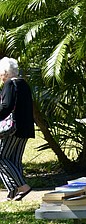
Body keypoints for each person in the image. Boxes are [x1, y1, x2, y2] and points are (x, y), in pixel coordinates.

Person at [0, 57, 35, 201]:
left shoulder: (9, 84)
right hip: (25, 127)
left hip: (12, 128)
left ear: (6, 72)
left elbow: (6, 106)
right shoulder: (24, 84)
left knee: (1, 157)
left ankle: (22, 187)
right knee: (14, 159)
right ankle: (13, 191)